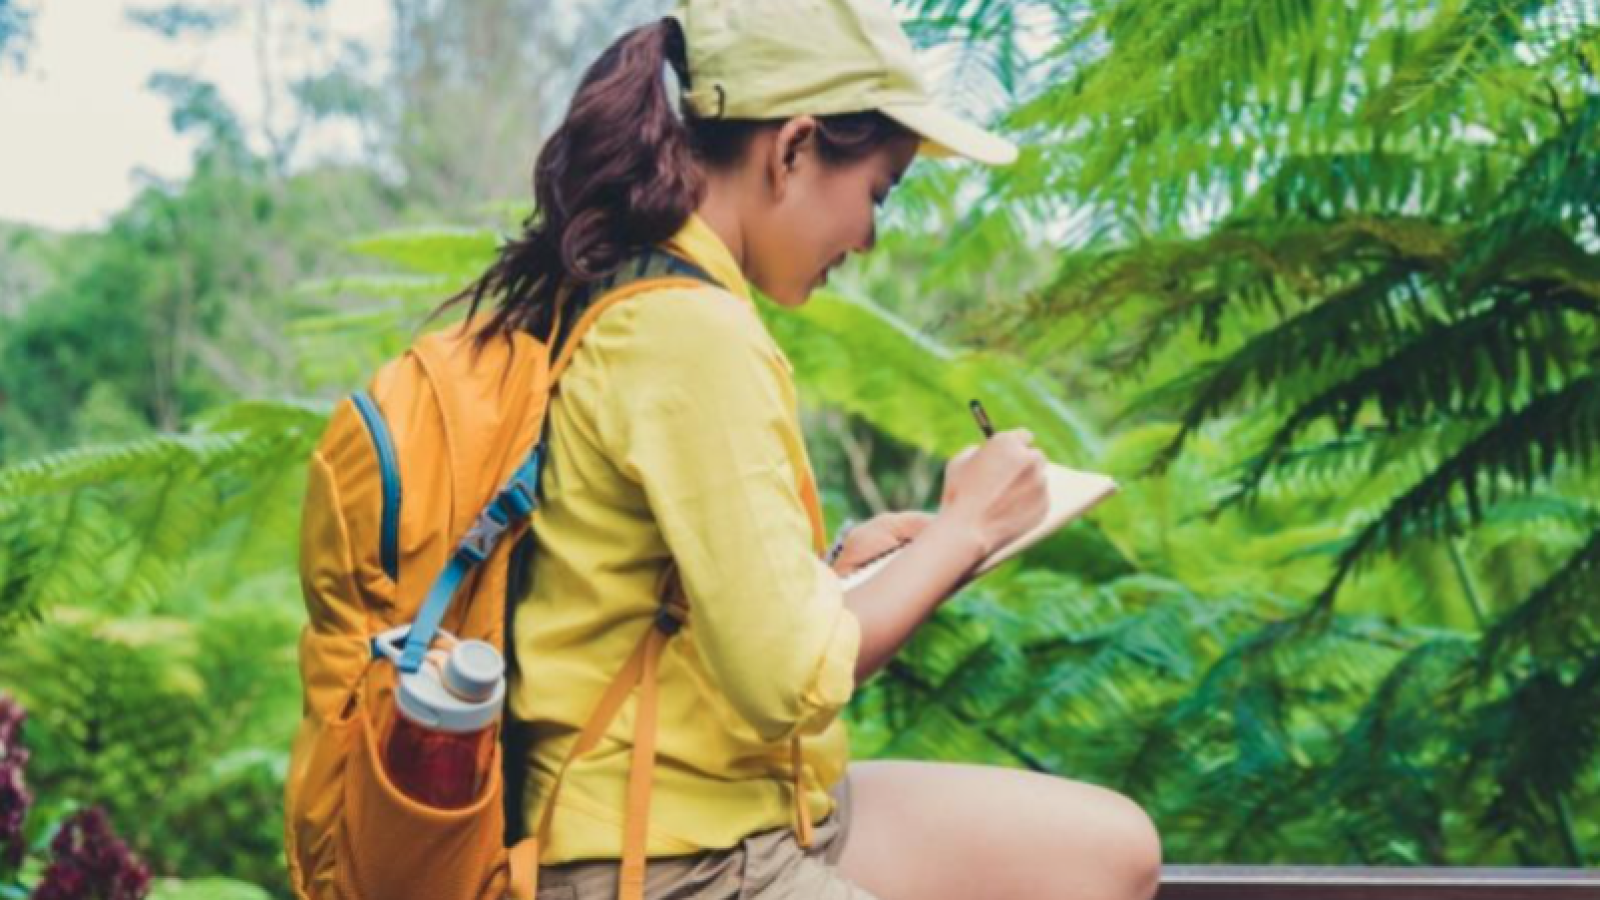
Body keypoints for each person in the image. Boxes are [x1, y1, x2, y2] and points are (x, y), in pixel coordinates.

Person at [446, 1, 1162, 897]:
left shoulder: (653, 292)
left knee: (1113, 848)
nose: (869, 238)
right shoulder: (688, 331)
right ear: (791, 149)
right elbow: (785, 680)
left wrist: (831, 573)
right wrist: (965, 531)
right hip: (661, 861)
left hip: (753, 808)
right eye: (878, 192)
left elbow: (657, 596)